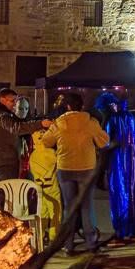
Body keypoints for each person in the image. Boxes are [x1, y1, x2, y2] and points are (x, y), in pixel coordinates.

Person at [39, 92, 110, 255]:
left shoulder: (59, 122)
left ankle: (68, 245)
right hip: (87, 169)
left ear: (68, 106)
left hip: (65, 169)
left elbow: (46, 141)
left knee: (69, 208)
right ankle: (91, 243)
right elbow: (104, 141)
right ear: (82, 105)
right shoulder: (90, 122)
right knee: (87, 207)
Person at [95, 92, 135, 242]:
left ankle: (122, 230)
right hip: (133, 164)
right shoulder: (130, 118)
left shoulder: (112, 120)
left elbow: (105, 143)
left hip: (117, 164)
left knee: (120, 194)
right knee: (133, 194)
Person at [0, 88, 48, 187]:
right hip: (4, 162)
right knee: (5, 193)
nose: (14, 104)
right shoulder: (2, 117)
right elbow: (18, 128)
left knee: (4, 192)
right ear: (2, 100)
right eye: (12, 101)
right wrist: (41, 123)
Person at [30, 124, 62, 246]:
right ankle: (54, 236)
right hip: (52, 187)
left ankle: (41, 235)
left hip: (40, 188)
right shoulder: (53, 153)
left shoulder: (34, 156)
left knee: (42, 211)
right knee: (56, 211)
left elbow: (33, 172)